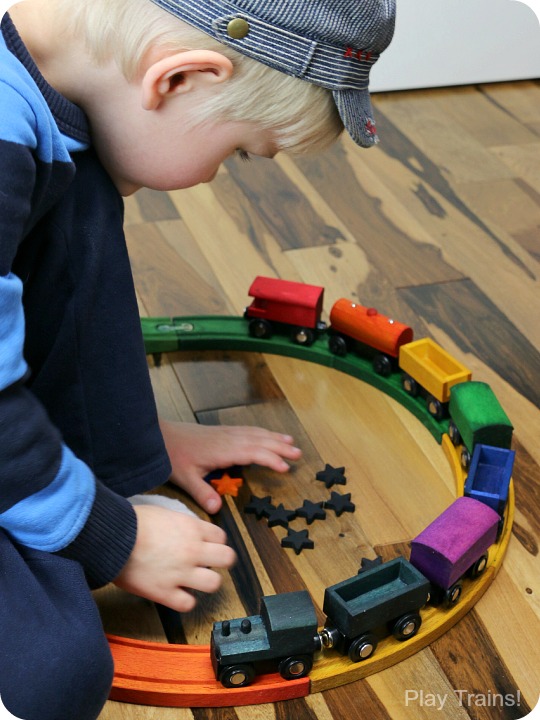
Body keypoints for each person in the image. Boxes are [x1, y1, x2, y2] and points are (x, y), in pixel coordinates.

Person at [0, 0, 396, 717]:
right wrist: (109, 537)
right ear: (177, 79)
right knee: (56, 671)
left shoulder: (42, 104)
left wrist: (131, 435)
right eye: (239, 151)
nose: (223, 171)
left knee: (83, 182)